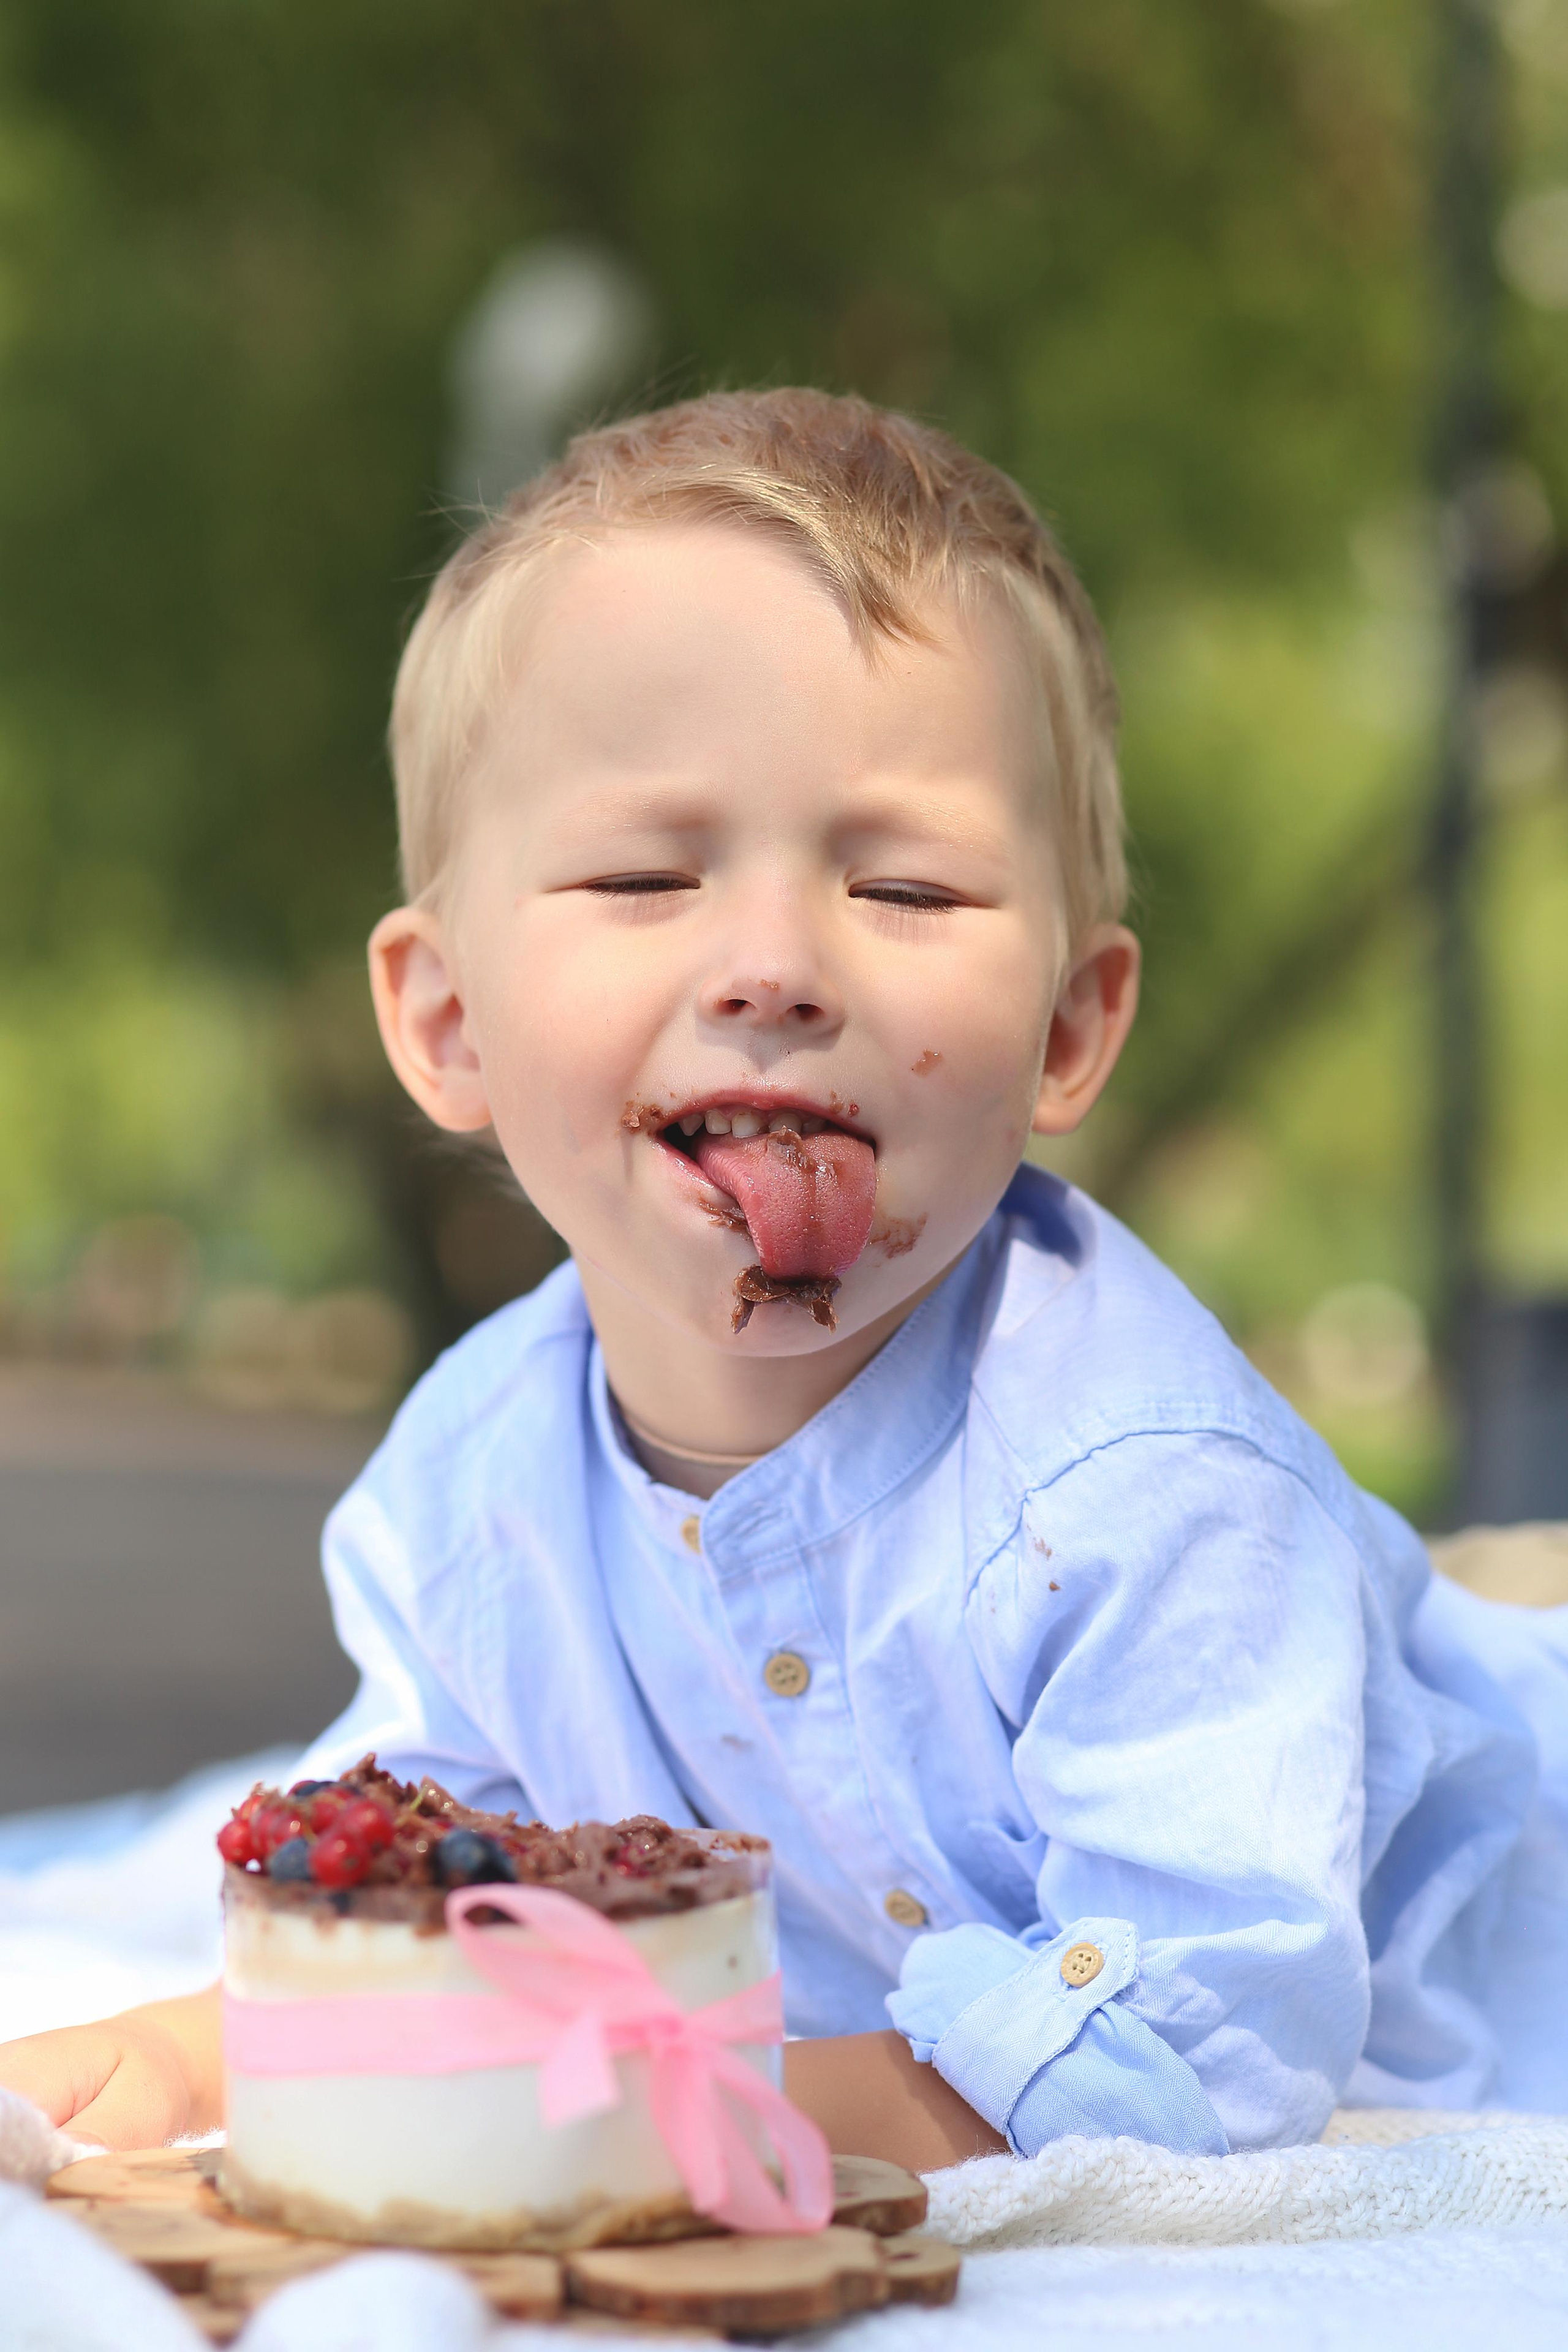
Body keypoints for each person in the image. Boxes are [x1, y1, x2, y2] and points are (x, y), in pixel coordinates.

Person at [4, 389, 1565, 2169]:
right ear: (447, 1025)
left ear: (1068, 1030)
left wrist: (667, 2126)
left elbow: (1201, 2051)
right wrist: (212, 2063)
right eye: (643, 873)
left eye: (902, 887)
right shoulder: (471, 1497)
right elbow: (472, 1910)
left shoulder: (1149, 1495)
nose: (773, 964)